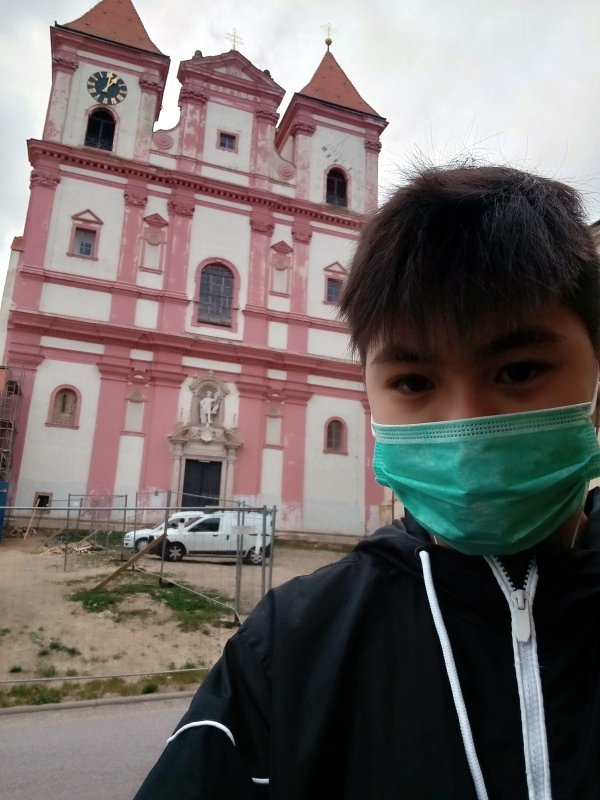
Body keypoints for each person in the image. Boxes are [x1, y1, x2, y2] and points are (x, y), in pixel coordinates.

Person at [133, 165, 600, 799]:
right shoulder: (286, 650)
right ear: (371, 398)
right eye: (413, 382)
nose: (465, 427)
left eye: (519, 371)